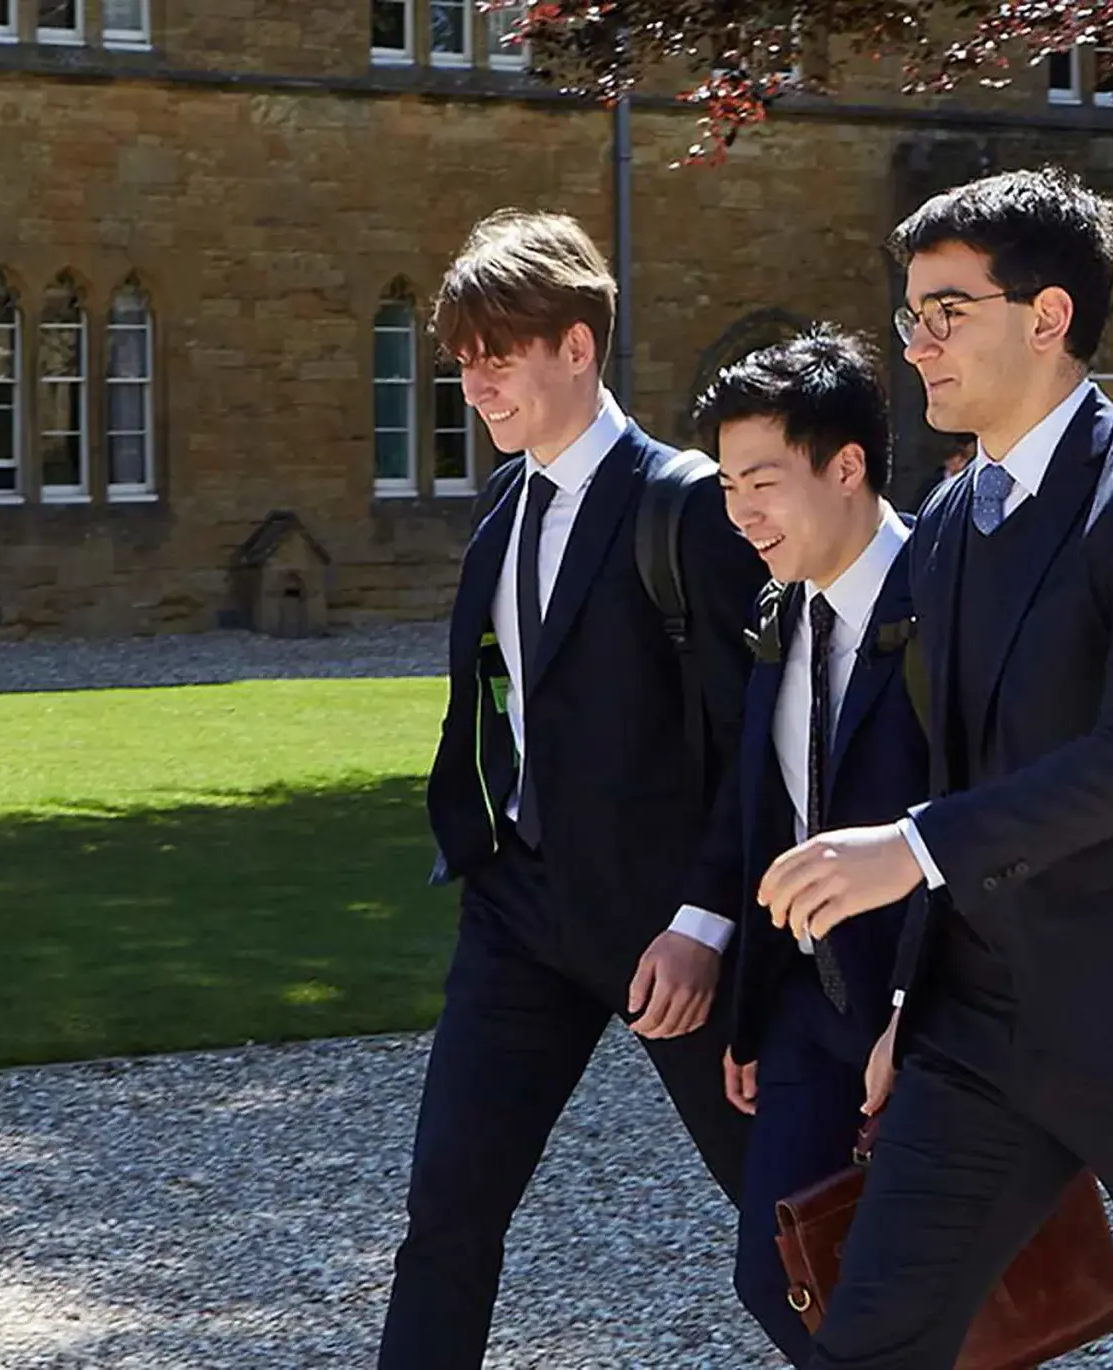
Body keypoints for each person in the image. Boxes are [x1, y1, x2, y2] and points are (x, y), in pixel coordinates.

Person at [756, 167, 1113, 1370]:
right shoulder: (955, 516)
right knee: (868, 1338)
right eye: (910, 315)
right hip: (979, 1032)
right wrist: (911, 1001)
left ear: (1047, 315)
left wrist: (902, 854)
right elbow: (957, 760)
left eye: (943, 312)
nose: (916, 345)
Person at [380, 209, 767, 1369]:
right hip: (520, 915)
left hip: (669, 930)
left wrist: (707, 922)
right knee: (447, 1208)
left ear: (578, 346)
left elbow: (760, 737)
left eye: (498, 350)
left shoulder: (688, 505)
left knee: (790, 1210)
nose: (475, 379)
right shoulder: (502, 507)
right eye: (462, 355)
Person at [685, 326, 929, 1364]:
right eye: (729, 481)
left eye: (763, 480)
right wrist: (739, 985)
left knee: (916, 1294)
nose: (742, 511)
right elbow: (760, 807)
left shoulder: (946, 605)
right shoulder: (778, 610)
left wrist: (917, 1012)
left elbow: (984, 822)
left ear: (847, 467)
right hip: (803, 1015)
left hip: (927, 1020)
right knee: (774, 1273)